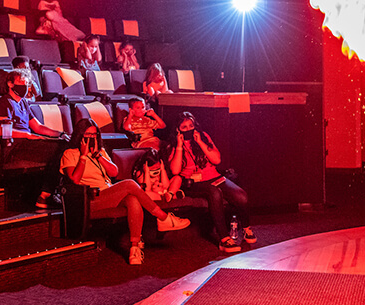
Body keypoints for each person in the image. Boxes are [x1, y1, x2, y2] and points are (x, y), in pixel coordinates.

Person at [61, 118, 190, 265]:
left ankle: (134, 248)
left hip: (108, 194)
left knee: (132, 199)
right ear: (79, 135)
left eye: (94, 135)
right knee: (129, 184)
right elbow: (75, 180)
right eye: (87, 135)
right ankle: (162, 217)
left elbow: (114, 172)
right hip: (88, 199)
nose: (91, 138)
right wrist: (83, 156)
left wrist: (98, 155)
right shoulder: (70, 154)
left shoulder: (100, 152)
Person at [167, 112, 252, 253]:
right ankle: (224, 239)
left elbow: (217, 160)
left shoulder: (203, 136)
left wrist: (200, 142)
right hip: (192, 182)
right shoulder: (174, 144)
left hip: (214, 177)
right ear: (178, 129)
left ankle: (247, 229)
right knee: (214, 192)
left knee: (241, 196)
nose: (189, 129)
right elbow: (175, 170)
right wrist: (180, 145)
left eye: (191, 126)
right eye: (184, 127)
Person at [0, 69, 68, 210]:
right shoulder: (4, 103)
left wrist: (60, 133)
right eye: (21, 82)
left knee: (65, 145)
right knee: (60, 149)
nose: (25, 86)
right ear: (10, 84)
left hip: (28, 144)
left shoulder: (23, 103)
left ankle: (49, 192)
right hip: (15, 148)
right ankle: (46, 195)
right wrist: (27, 135)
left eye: (26, 83)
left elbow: (38, 127)